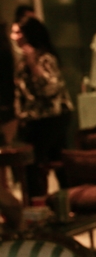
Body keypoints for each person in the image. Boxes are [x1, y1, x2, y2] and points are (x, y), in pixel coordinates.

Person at [11, 17, 72, 201]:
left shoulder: (45, 59)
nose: (15, 37)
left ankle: (62, 203)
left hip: (51, 118)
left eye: (19, 32)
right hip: (33, 119)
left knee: (43, 163)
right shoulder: (22, 61)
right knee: (37, 164)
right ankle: (42, 204)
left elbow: (49, 89)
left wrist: (33, 65)